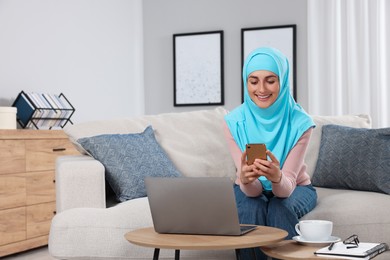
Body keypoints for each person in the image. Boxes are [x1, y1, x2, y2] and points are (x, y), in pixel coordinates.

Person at [224, 47, 317, 258]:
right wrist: (246, 180)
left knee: (279, 207)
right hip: (249, 188)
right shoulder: (233, 122)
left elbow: (285, 190)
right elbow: (253, 192)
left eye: (270, 80)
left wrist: (277, 177)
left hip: (296, 187)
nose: (262, 89)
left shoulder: (301, 123)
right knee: (249, 209)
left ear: (282, 81)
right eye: (253, 81)